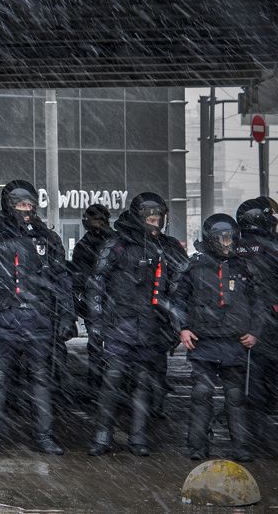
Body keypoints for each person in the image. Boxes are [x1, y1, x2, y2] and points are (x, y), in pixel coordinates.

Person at [0, 180, 75, 455]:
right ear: (8, 205)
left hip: (39, 320)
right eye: (20, 205)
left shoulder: (47, 238)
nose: (26, 210)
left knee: (41, 380)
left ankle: (44, 436)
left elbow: (62, 279)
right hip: (4, 319)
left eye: (30, 205)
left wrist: (67, 316)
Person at [85, 193, 187, 456]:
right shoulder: (117, 244)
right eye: (150, 218)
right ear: (139, 217)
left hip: (151, 325)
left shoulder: (168, 246)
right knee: (112, 380)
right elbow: (96, 282)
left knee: (143, 382)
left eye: (158, 218)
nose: (155, 223)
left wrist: (176, 322)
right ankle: (102, 435)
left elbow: (182, 287)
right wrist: (96, 322)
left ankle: (138, 436)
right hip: (120, 323)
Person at [173, 214, 262, 462]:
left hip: (236, 342)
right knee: (201, 394)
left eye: (230, 237)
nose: (227, 242)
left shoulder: (244, 267)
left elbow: (259, 303)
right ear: (211, 239)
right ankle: (197, 447)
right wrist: (183, 328)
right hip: (204, 342)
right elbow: (177, 300)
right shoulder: (194, 266)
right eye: (222, 238)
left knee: (235, 397)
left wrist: (255, 331)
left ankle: (241, 448)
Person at [235, 197, 278, 458]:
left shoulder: (232, 248)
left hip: (240, 325)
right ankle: (260, 438)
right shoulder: (273, 248)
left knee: (247, 384)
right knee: (267, 381)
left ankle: (249, 438)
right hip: (270, 326)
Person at [71, 204, 115, 394]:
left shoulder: (115, 241)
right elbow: (78, 274)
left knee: (114, 346)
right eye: (93, 221)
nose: (96, 225)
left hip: (112, 299)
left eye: (99, 221)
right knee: (97, 344)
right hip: (97, 299)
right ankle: (97, 385)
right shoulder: (85, 245)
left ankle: (104, 386)